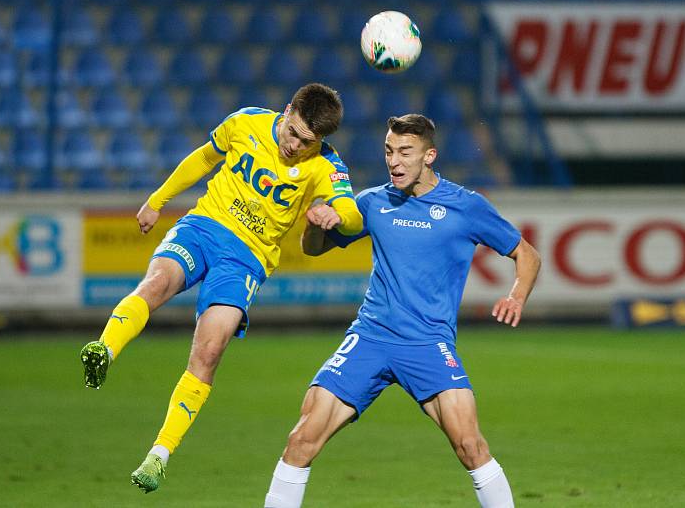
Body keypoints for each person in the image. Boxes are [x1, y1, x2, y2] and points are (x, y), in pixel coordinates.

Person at [79, 83, 363, 493]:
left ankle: (159, 455)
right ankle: (104, 349)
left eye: (307, 142)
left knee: (210, 349)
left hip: (246, 259)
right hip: (203, 227)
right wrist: (157, 200)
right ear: (287, 111)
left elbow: (353, 214)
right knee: (157, 282)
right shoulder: (245, 122)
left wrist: (335, 216)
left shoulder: (326, 165)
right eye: (293, 132)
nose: (294, 146)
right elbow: (204, 158)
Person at [263, 114, 541, 508]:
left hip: (428, 344)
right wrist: (316, 219)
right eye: (389, 151)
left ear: (429, 155)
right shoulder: (372, 202)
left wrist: (516, 295)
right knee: (302, 439)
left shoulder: (466, 206)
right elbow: (314, 247)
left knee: (469, 445)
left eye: (405, 152)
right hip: (370, 338)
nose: (394, 161)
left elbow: (526, 253)